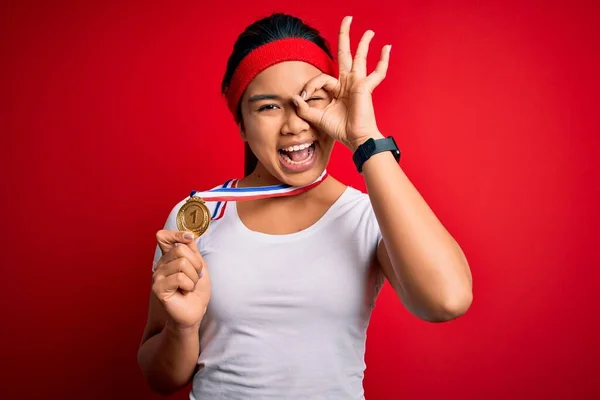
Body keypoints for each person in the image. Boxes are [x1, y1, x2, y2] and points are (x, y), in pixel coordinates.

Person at [137, 12, 473, 400]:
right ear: (242, 124)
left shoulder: (367, 216)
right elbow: (161, 378)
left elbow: (448, 300)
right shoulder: (198, 216)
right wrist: (183, 329)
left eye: (312, 99)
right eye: (268, 107)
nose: (295, 123)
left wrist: (365, 139)